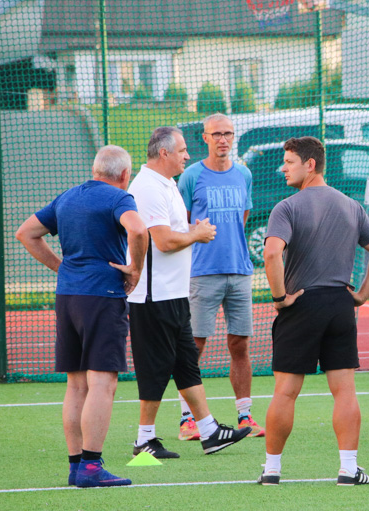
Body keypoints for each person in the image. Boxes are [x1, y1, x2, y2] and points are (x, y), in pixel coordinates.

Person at [259, 136, 369, 487]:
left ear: (310, 164)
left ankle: (272, 470)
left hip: (301, 303)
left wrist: (279, 297)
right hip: (339, 304)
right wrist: (360, 295)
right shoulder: (351, 205)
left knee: (286, 391)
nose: (282, 168)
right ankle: (349, 469)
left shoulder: (286, 207)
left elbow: (272, 254)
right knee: (344, 390)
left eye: (288, 161)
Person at [15, 146, 146, 487]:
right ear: (123, 175)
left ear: (95, 169)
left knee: (76, 384)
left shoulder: (67, 197)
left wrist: (62, 268)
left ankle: (77, 466)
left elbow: (26, 233)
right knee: (103, 382)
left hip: (68, 297)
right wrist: (135, 270)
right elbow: (139, 230)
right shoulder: (120, 198)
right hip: (102, 297)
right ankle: (91, 467)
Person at [128, 127, 252, 459]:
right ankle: (144, 440)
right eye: (182, 150)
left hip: (175, 295)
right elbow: (164, 240)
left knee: (186, 365)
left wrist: (192, 232)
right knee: (156, 368)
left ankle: (209, 431)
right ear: (165, 153)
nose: (187, 155)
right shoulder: (147, 187)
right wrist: (196, 234)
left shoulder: (167, 184)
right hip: (153, 297)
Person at [176, 113, 263, 441]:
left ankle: (245, 416)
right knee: (194, 346)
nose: (223, 139)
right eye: (217, 134)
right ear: (205, 138)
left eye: (228, 133)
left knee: (239, 344)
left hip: (240, 272)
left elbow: (242, 219)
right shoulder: (191, 176)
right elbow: (181, 225)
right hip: (201, 273)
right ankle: (188, 420)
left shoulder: (244, 174)